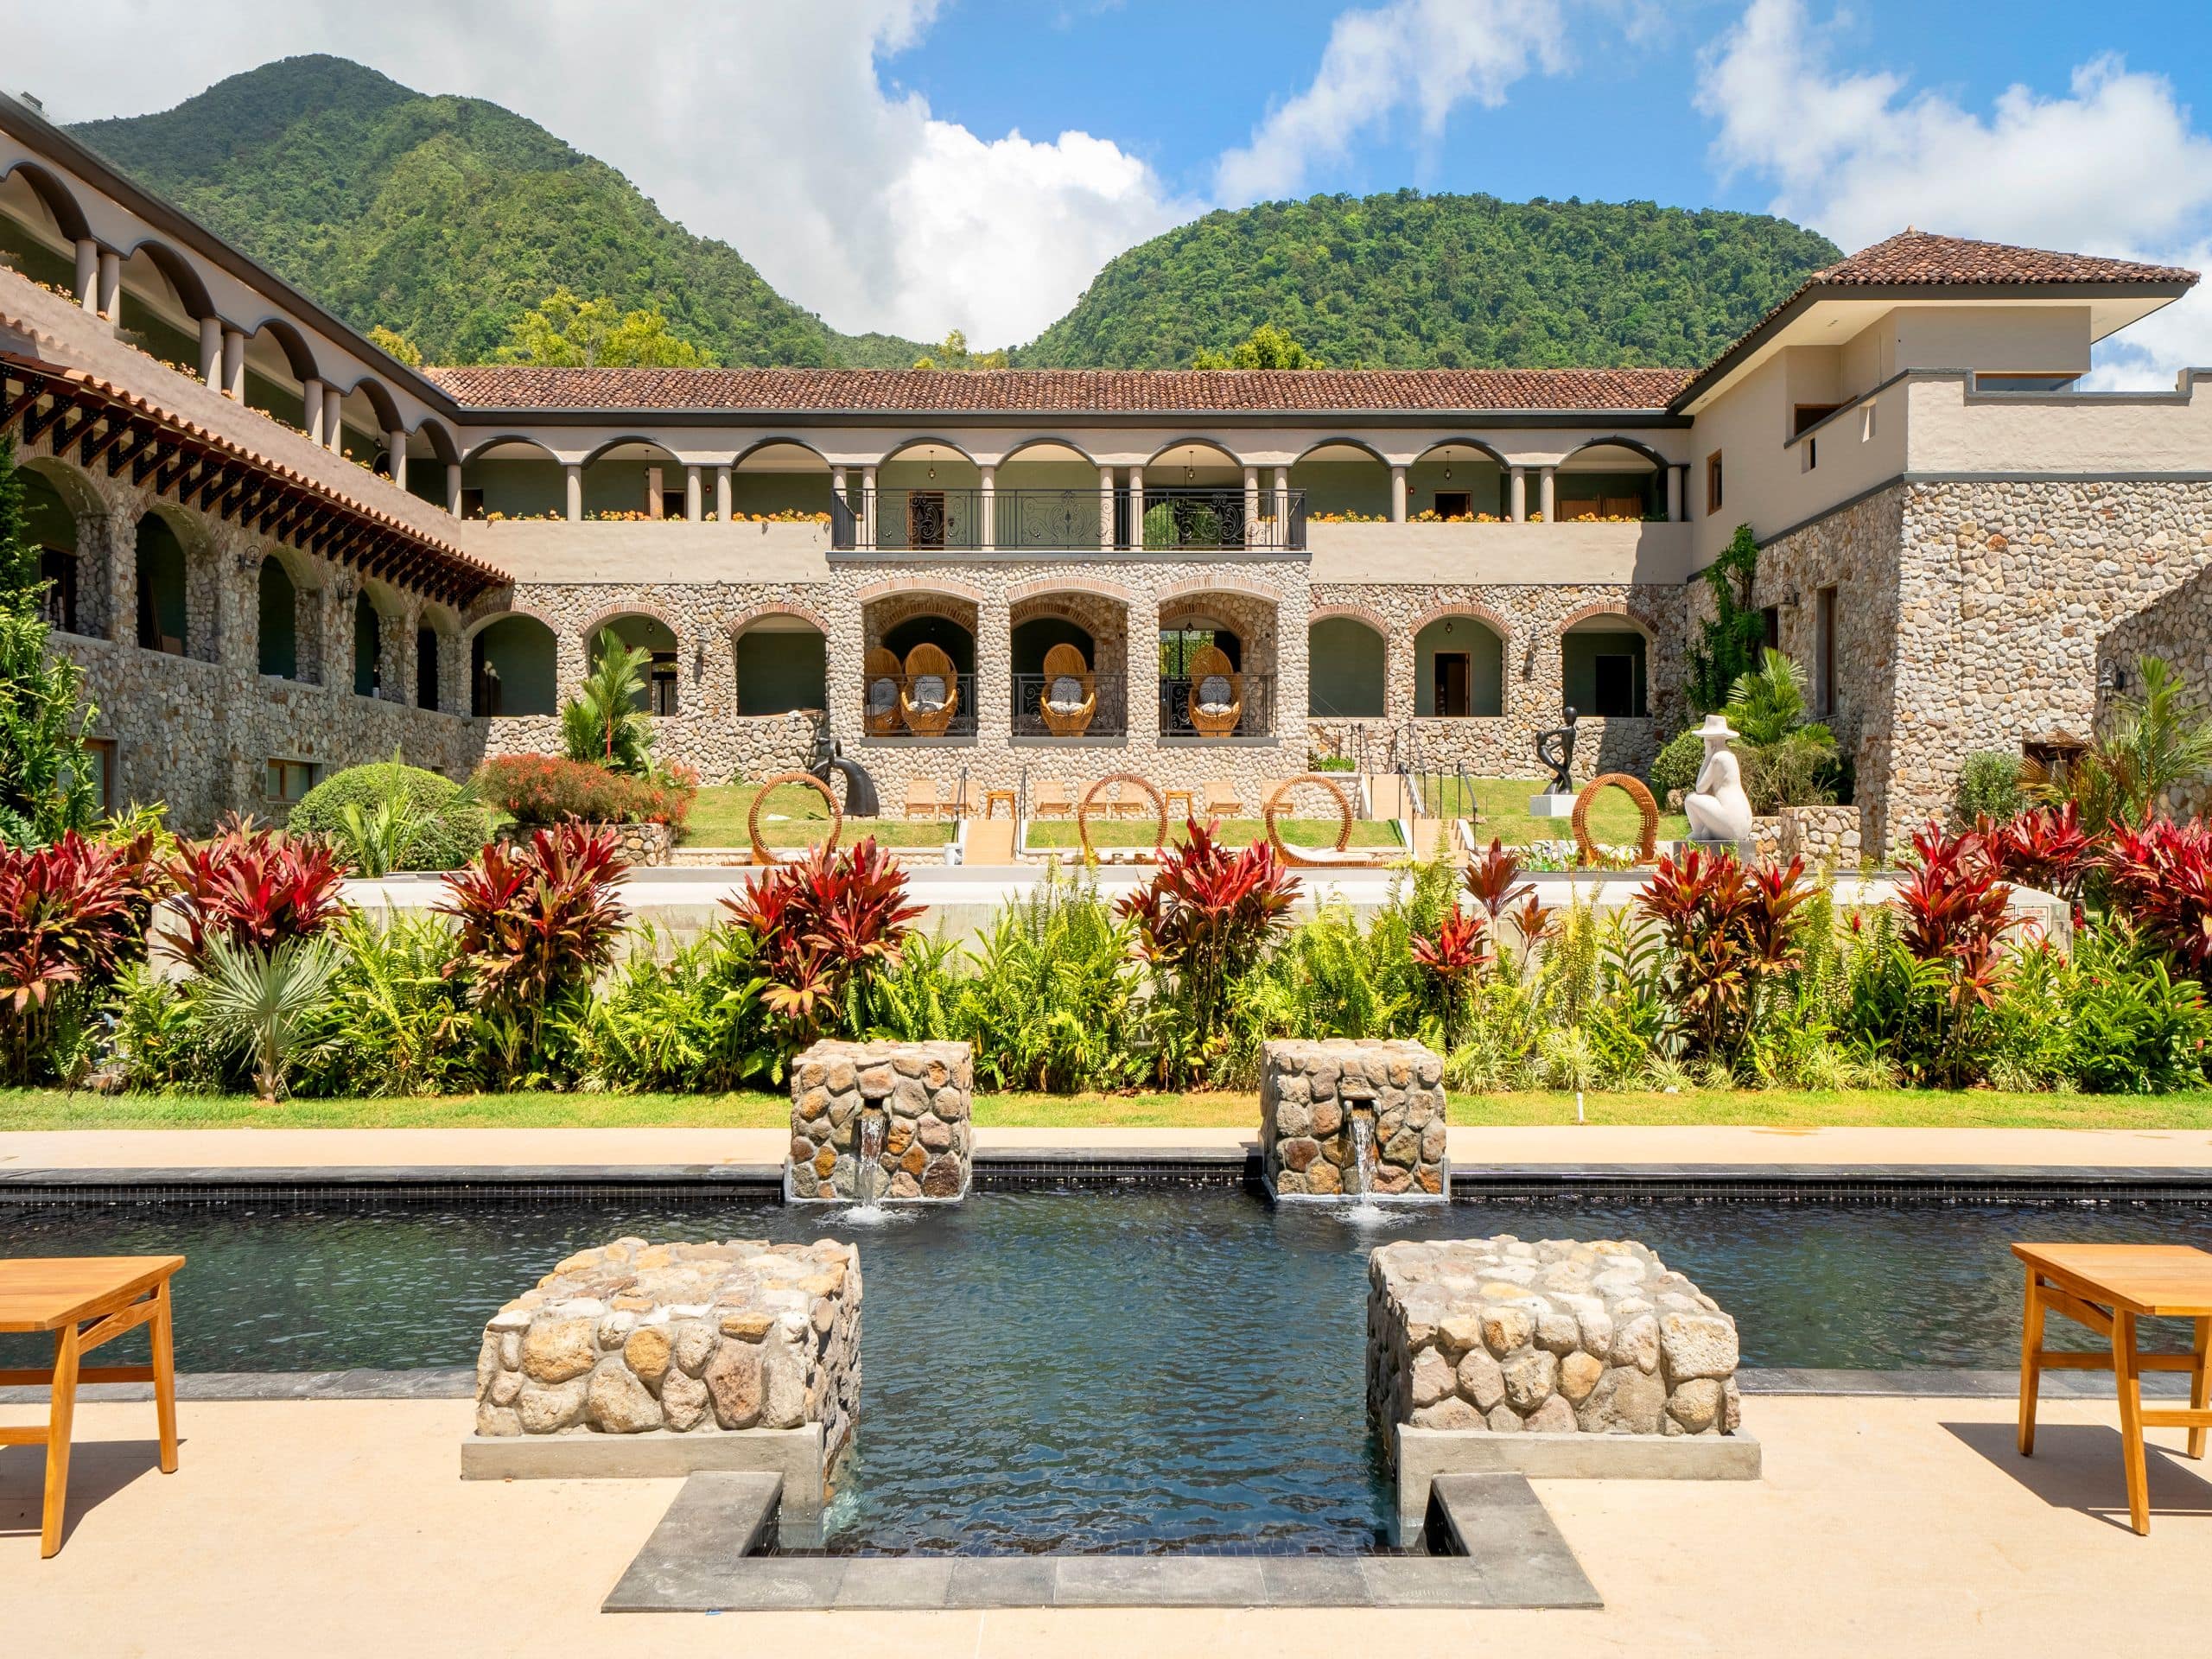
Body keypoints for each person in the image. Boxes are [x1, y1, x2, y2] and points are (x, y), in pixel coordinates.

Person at [1683, 714, 1754, 847]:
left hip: (1731, 822)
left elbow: (1700, 788)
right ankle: (1706, 832)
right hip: (1743, 823)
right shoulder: (1730, 755)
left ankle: (1698, 833)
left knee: (1690, 799)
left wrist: (1707, 756)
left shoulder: (1717, 757)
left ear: (1710, 739)